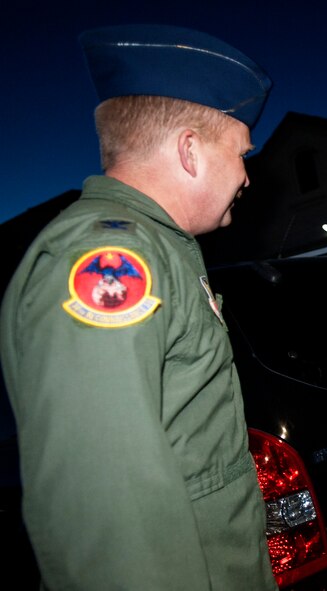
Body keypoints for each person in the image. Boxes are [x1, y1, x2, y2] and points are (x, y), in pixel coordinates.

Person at [0, 25, 277, 590]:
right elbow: (108, 510)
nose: (248, 175)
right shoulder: (111, 258)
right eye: (241, 152)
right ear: (190, 150)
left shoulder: (162, 251)